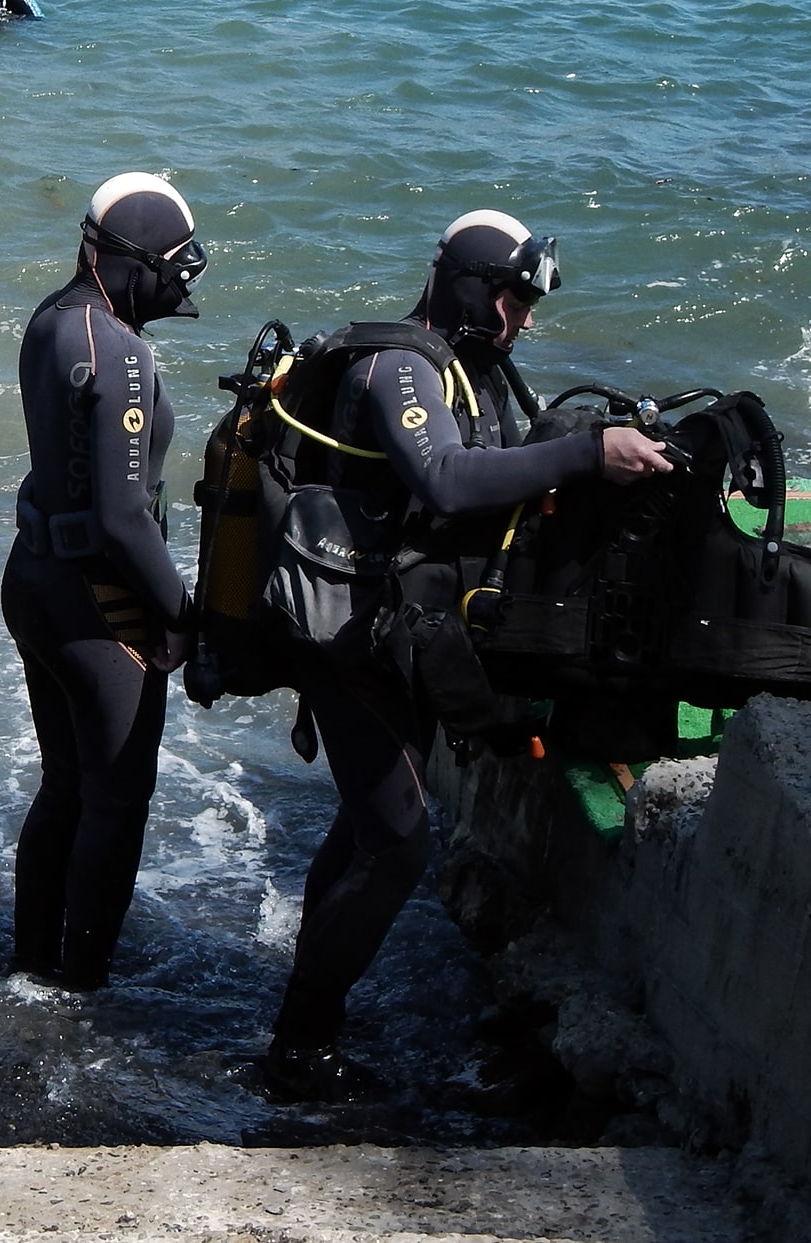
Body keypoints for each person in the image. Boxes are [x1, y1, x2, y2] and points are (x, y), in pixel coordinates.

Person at [261, 210, 673, 1099]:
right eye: (513, 297)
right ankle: (298, 1045)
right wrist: (585, 453)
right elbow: (443, 476)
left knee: (370, 828)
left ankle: (305, 1011)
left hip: (403, 635)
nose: (523, 318)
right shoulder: (397, 366)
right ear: (470, 286)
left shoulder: (470, 368)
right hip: (349, 639)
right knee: (400, 845)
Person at [2, 173, 205, 989]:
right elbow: (124, 517)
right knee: (116, 801)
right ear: (132, 261)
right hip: (97, 603)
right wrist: (182, 614)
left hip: (35, 578)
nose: (178, 289)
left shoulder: (51, 318)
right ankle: (82, 983)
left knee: (63, 783)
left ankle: (30, 961)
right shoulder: (117, 350)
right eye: (172, 270)